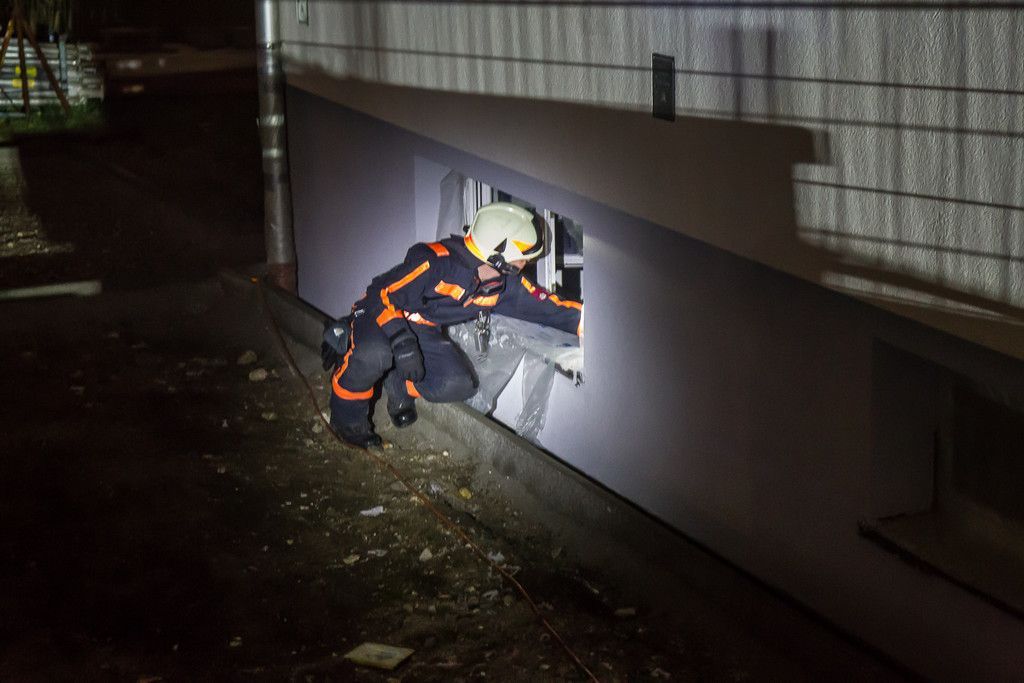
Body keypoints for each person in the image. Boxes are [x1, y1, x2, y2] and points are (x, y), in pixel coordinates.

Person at [328, 202, 583, 448]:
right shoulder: (436, 262)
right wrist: (401, 341)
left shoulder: (501, 285)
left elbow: (548, 307)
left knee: (458, 384)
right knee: (374, 355)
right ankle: (348, 424)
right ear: (498, 253)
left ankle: (396, 381)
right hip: (379, 312)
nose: (525, 263)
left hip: (421, 326)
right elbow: (380, 293)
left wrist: (588, 324)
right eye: (522, 256)